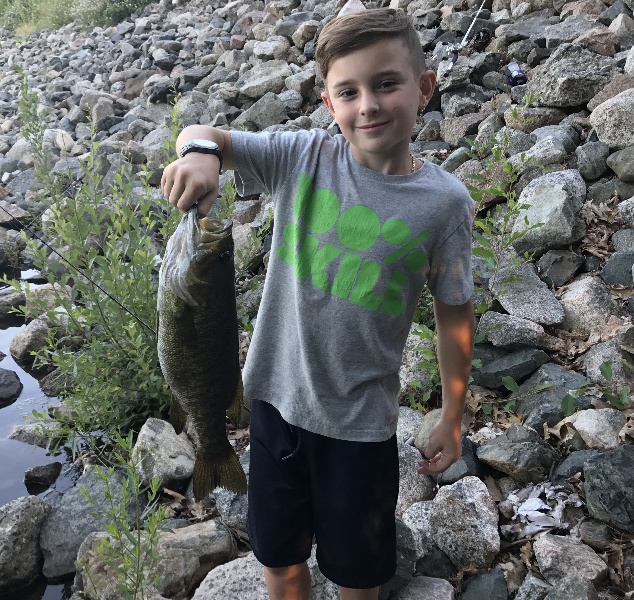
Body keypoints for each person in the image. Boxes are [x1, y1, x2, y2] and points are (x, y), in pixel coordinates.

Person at [161, 8, 475, 600]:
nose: (369, 106)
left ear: (425, 87)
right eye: (348, 92)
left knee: (358, 576)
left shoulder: (444, 205)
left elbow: (454, 311)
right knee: (279, 561)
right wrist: (200, 154)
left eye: (387, 83)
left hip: (361, 431)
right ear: (329, 104)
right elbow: (204, 137)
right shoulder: (300, 158)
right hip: (274, 411)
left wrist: (452, 416)